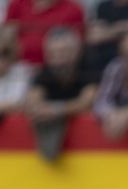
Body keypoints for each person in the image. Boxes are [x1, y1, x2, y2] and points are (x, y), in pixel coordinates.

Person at [25, 23, 94, 157]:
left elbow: (87, 102)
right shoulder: (44, 73)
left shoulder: (89, 68)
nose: (58, 58)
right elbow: (33, 101)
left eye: (64, 51)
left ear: (77, 51)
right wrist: (40, 109)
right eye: (53, 53)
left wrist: (55, 110)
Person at [2, 0, 82, 67]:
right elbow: (1, 42)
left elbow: (76, 50)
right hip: (16, 71)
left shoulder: (73, 10)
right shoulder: (17, 4)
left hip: (53, 72)